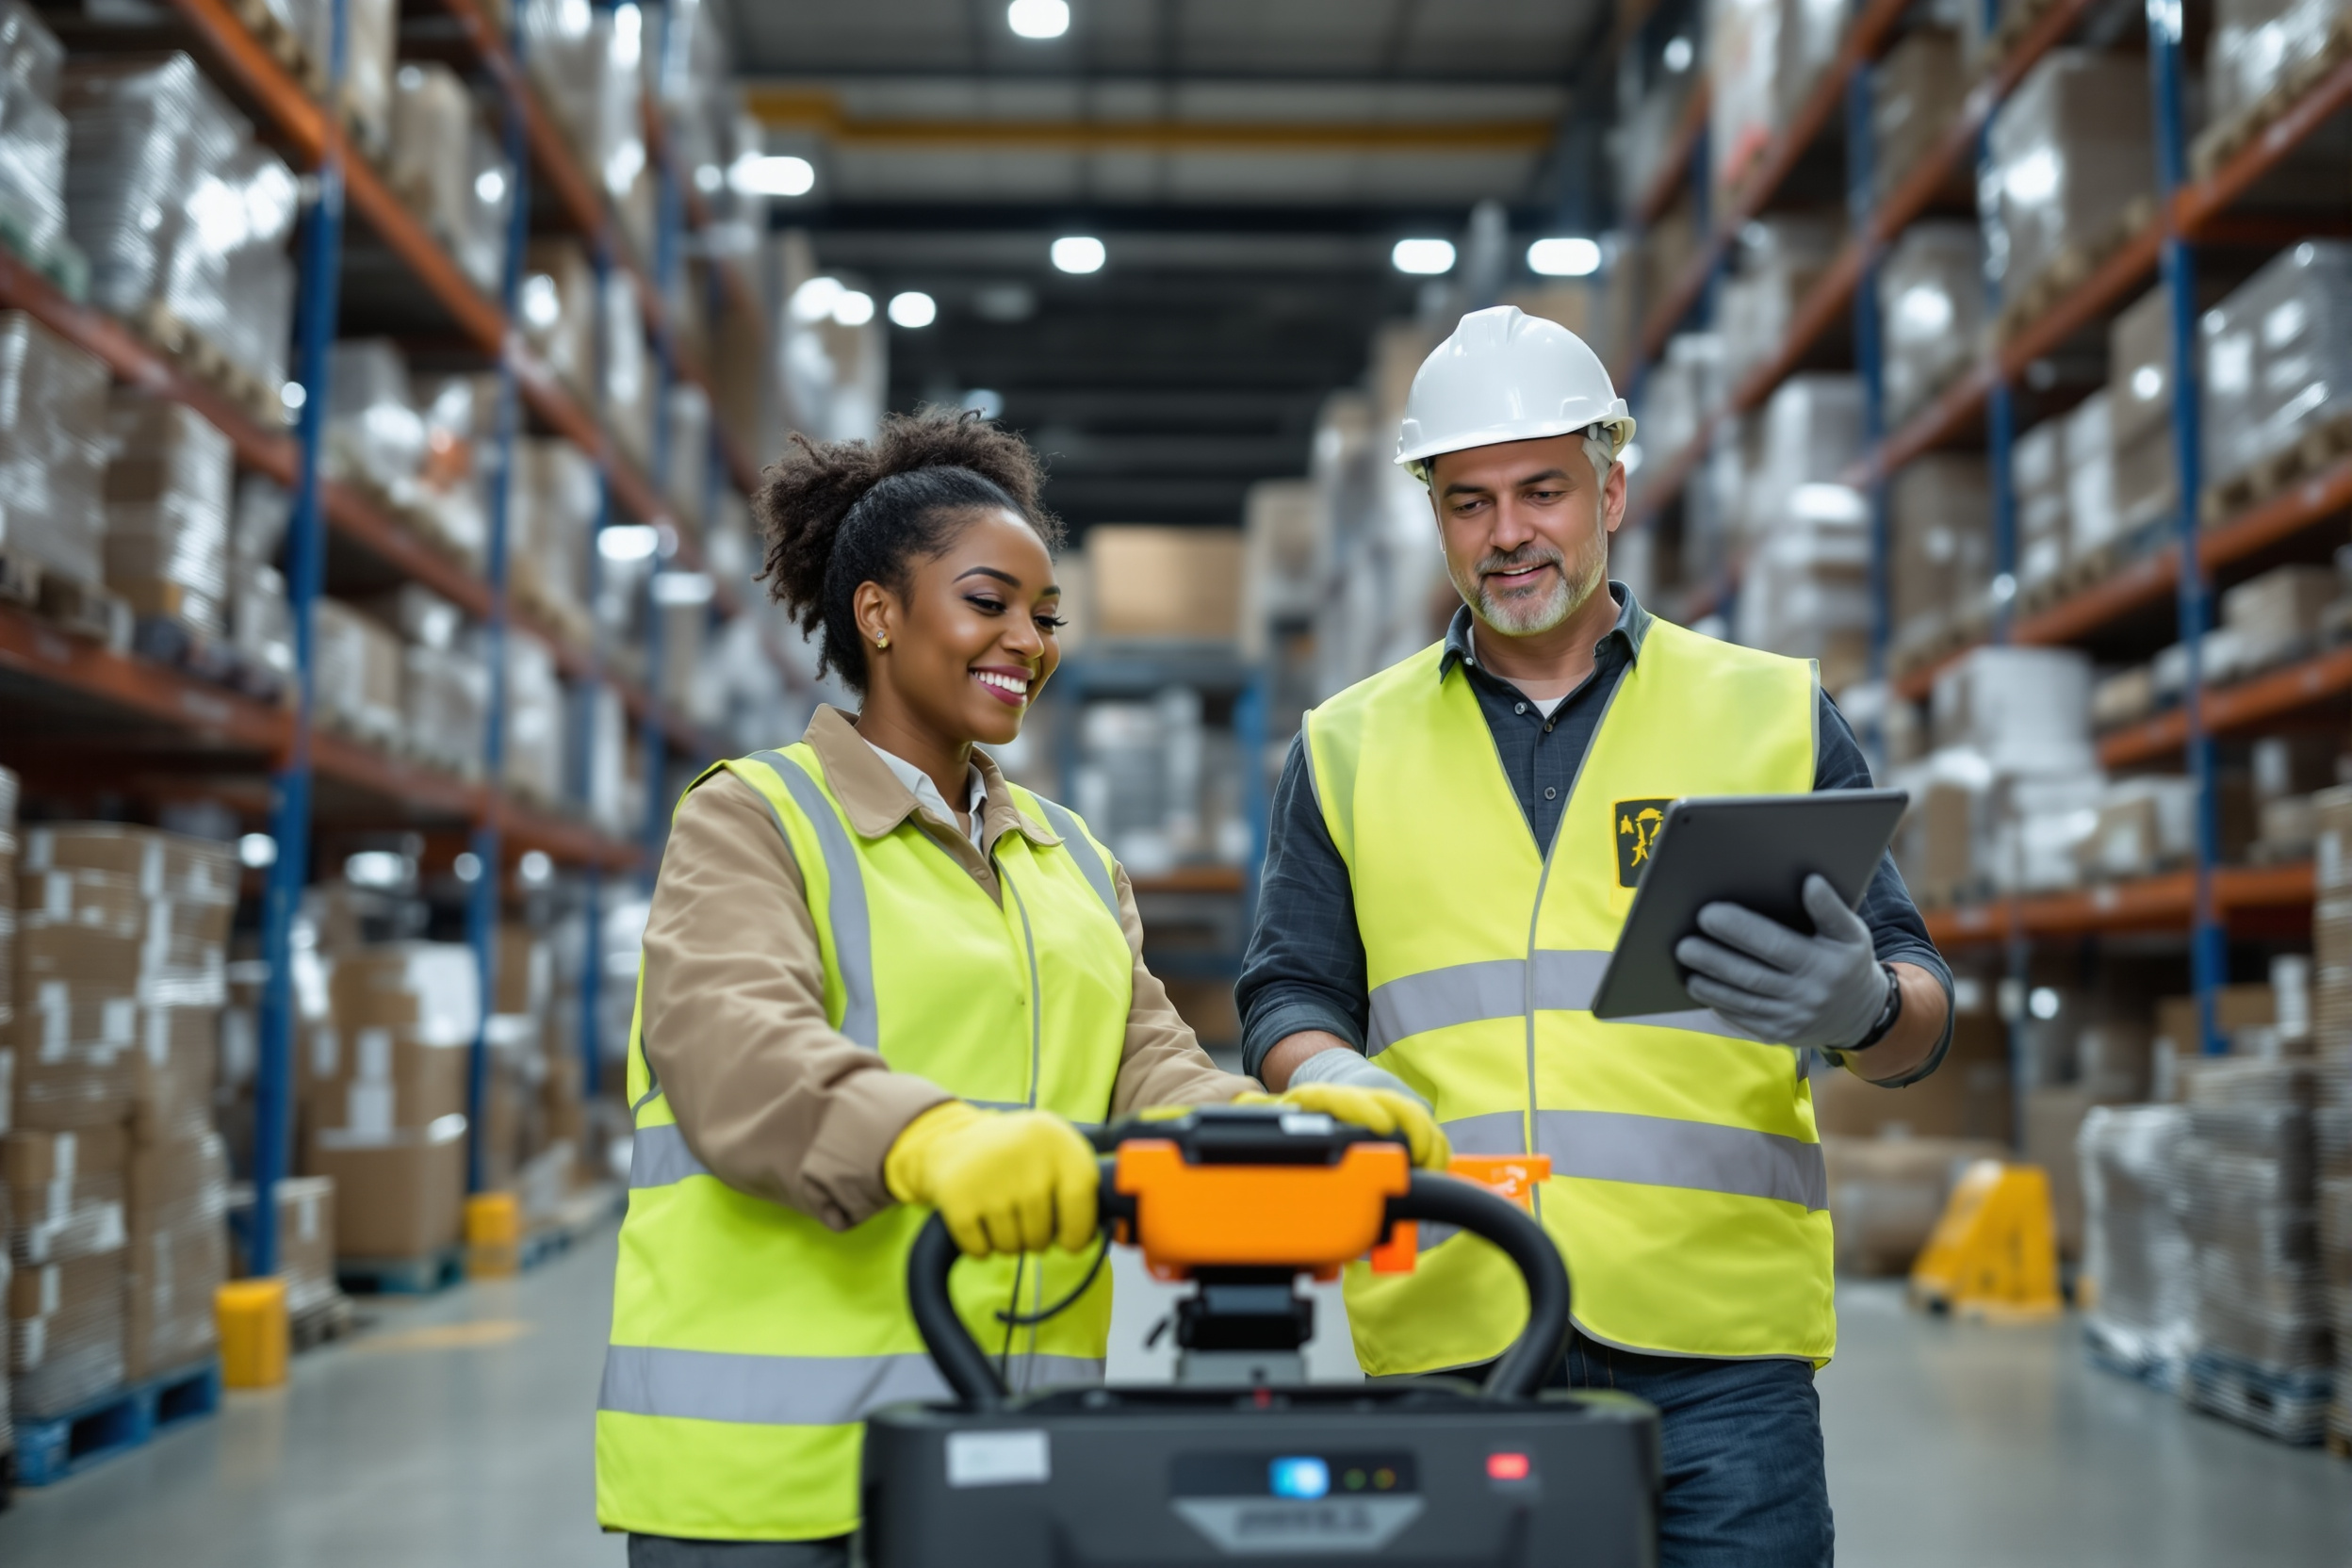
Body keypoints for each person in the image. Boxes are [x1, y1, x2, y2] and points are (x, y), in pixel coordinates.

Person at [594, 410, 1445, 1566]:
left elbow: (1149, 1061)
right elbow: (731, 1044)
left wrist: (1291, 1132)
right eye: (988, 603)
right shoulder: (756, 817)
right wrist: (929, 1142)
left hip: (1012, 1456)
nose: (1028, 641)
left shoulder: (1069, 854)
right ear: (878, 612)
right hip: (775, 1481)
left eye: (1045, 616)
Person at [1236, 307, 1954, 1568]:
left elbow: (1920, 1018)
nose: (1507, 533)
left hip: (1719, 1355)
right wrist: (1333, 1072)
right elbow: (1285, 993)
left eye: (1542, 490)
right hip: (1454, 1324)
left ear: (1613, 487)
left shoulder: (1767, 711)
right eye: (1468, 502)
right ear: (1435, 513)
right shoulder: (1346, 746)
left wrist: (1865, 1012)